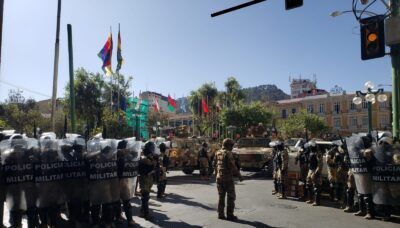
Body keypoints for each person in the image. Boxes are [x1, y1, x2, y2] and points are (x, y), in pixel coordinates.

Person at [214, 138, 243, 221]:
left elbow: (214, 165)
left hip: (219, 178)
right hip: (227, 178)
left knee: (221, 196)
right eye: (231, 145)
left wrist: (217, 175)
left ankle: (220, 214)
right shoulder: (228, 153)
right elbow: (233, 166)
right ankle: (230, 215)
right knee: (231, 197)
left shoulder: (217, 152)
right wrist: (239, 176)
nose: (232, 147)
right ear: (228, 145)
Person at [138, 141, 156, 220]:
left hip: (146, 180)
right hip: (145, 180)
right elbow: (149, 169)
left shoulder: (145, 159)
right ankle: (146, 214)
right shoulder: (145, 160)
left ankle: (142, 211)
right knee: (145, 197)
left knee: (145, 197)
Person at [305, 140, 323, 206]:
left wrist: (316, 173)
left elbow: (320, 164)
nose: (309, 147)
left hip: (315, 170)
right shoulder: (310, 152)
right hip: (310, 170)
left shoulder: (318, 153)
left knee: (316, 187)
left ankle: (317, 201)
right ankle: (310, 199)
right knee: (308, 185)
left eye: (310, 146)